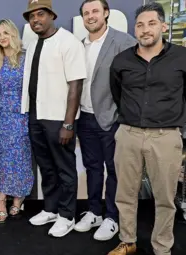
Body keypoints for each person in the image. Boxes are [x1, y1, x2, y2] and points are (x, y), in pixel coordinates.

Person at [105, 3, 186, 255]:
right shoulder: (122, 61)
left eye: (151, 23)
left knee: (165, 198)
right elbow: (117, 95)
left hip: (166, 137)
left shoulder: (181, 58)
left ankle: (162, 250)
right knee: (125, 194)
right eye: (140, 25)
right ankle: (127, 241)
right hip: (128, 134)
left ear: (163, 26)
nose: (145, 29)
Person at [22, 0, 87, 237]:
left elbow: (75, 85)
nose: (35, 20)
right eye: (31, 17)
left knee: (65, 168)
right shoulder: (32, 44)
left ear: (52, 16)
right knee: (46, 167)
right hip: (36, 115)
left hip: (59, 119)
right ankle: (50, 208)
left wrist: (68, 123)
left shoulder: (68, 42)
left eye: (40, 14)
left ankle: (67, 215)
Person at [74, 0, 137, 241]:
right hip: (85, 117)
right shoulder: (79, 46)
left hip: (111, 118)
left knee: (113, 169)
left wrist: (122, 114)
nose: (91, 16)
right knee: (92, 167)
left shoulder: (124, 42)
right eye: (86, 13)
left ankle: (112, 216)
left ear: (106, 13)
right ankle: (94, 211)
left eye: (95, 11)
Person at [0, 19, 34, 223]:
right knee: (4, 155)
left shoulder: (25, 58)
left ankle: (19, 197)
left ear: (13, 34)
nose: (2, 38)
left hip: (22, 113)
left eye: (6, 33)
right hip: (2, 115)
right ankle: (1, 198)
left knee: (22, 155)